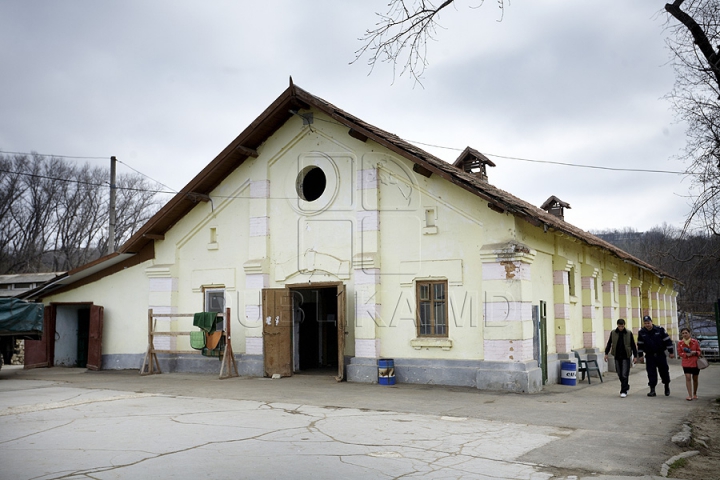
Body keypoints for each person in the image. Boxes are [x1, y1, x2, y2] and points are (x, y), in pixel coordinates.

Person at [637, 315, 675, 397]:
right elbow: (640, 344)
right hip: (649, 355)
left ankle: (666, 386)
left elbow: (667, 341)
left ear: (651, 322)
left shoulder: (659, 330)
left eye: (648, 323)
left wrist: (671, 352)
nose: (647, 325)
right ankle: (652, 390)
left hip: (660, 354)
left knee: (664, 371)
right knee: (651, 373)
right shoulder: (642, 332)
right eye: (645, 323)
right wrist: (640, 355)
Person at [604, 319, 638, 398]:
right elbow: (609, 343)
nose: (621, 328)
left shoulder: (628, 333)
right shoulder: (613, 333)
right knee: (619, 373)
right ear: (617, 325)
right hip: (617, 355)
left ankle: (623, 390)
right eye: (619, 326)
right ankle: (626, 385)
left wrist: (635, 356)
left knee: (624, 374)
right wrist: (606, 353)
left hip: (626, 356)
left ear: (624, 325)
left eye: (622, 326)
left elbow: (633, 345)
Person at [677, 327, 702, 401]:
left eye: (686, 333)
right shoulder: (680, 343)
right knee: (688, 377)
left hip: (695, 362)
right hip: (686, 362)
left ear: (689, 333)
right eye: (683, 333)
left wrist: (694, 352)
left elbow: (699, 352)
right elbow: (679, 353)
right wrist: (685, 354)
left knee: (695, 378)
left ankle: (695, 393)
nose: (684, 335)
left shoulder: (695, 342)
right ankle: (689, 395)